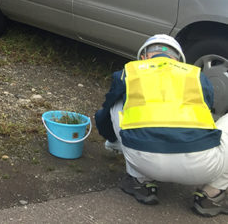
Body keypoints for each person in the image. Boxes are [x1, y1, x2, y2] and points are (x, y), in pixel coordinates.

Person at [95, 34, 228, 217]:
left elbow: (103, 115)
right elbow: (206, 114)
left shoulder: (131, 71)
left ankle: (140, 182)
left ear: (144, 57)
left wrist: (113, 142)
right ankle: (212, 194)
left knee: (117, 103)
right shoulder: (196, 75)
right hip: (202, 166)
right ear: (179, 60)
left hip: (142, 160)